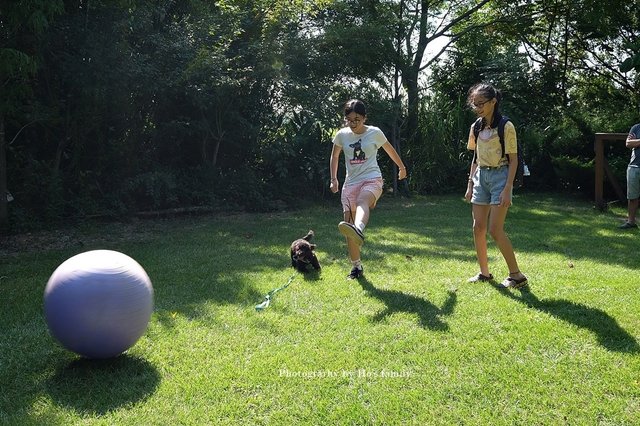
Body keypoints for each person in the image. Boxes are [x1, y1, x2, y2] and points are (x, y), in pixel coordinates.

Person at [329, 99, 407, 279]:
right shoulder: (342, 135)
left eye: (357, 119)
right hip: (350, 183)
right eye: (349, 120)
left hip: (372, 179)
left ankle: (359, 228)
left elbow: (390, 150)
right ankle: (356, 267)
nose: (353, 123)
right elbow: (334, 156)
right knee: (347, 229)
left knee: (362, 201)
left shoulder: (374, 133)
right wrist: (334, 179)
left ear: (364, 117)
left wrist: (402, 168)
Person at [464, 83, 528, 288]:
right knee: (478, 227)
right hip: (481, 176)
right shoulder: (476, 126)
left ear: (493, 102)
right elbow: (475, 156)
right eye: (475, 104)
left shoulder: (506, 126)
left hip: (501, 176)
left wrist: (508, 187)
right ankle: (484, 273)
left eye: (481, 103)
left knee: (494, 229)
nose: (478, 108)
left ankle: (516, 276)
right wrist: (469, 183)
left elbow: (514, 160)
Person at [619, 122, 640, 229]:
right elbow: (628, 143)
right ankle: (631, 222)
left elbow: (633, 143)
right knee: (632, 197)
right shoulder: (636, 127)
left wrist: (636, 142)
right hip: (634, 166)